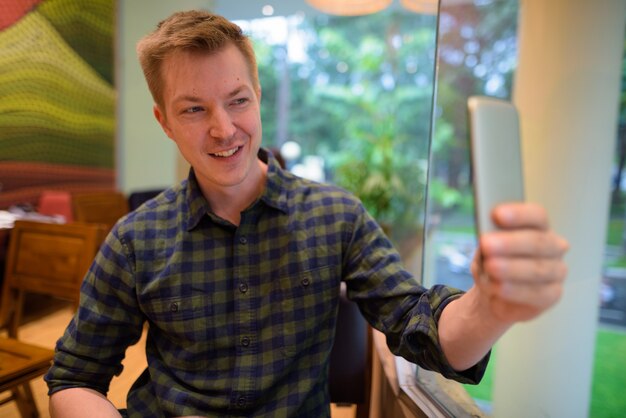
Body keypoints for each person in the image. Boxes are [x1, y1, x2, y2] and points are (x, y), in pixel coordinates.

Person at [45, 10, 569, 418]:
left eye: (237, 100)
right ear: (164, 122)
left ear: (258, 98)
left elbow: (416, 325)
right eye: (194, 109)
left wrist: (489, 307)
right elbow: (73, 376)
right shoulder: (136, 239)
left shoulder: (335, 215)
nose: (224, 129)